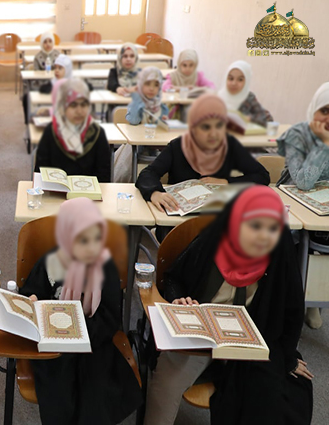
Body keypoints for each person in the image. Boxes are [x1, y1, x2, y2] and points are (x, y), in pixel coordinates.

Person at [144, 186, 313, 425]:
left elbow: (291, 309)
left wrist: (288, 358)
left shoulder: (280, 253)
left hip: (250, 342)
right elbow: (173, 278)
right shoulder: (212, 241)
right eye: (255, 226)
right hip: (200, 338)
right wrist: (178, 299)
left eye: (272, 228)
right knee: (167, 384)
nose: (264, 237)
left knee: (280, 395)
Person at [19, 198, 142, 424]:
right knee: (58, 390)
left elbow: (109, 318)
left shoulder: (105, 267)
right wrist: (32, 299)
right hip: (55, 344)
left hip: (92, 341)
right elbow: (30, 292)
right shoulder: (51, 261)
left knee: (95, 391)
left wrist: (79, 333)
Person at [136, 94, 270, 212]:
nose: (213, 134)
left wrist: (226, 181)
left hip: (213, 217)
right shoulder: (178, 146)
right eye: (205, 127)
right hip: (177, 219)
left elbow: (262, 176)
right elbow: (148, 173)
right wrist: (155, 193)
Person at [277, 81, 329, 329]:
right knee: (293, 240)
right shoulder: (297, 134)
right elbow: (304, 181)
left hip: (323, 209)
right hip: (293, 203)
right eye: (324, 110)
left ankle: (316, 295)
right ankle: (296, 297)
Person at [34, 79, 111, 180]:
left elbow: (104, 175)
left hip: (89, 190)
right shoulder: (51, 131)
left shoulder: (97, 133)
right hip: (54, 189)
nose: (79, 111)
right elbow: (40, 172)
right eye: (73, 105)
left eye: (83, 104)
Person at [218, 60, 273, 126]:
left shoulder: (249, 98)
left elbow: (268, 118)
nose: (234, 83)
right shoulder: (218, 98)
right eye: (231, 78)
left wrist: (249, 119)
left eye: (240, 79)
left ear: (247, 81)